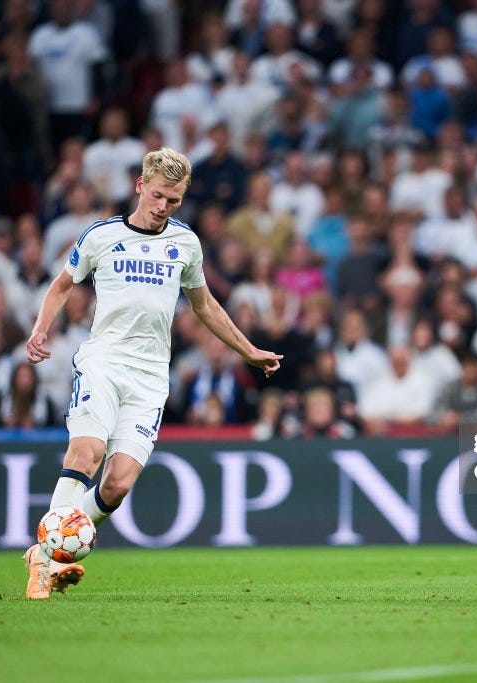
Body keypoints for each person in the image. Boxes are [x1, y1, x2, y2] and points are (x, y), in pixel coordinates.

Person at [22, 148, 282, 599]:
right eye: (158, 195)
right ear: (140, 186)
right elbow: (63, 285)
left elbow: (204, 306)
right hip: (103, 359)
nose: (163, 207)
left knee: (118, 483)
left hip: (149, 376)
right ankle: (45, 561)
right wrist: (40, 329)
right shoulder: (101, 236)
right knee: (87, 452)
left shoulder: (185, 244)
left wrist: (249, 350)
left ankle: (49, 547)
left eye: (174, 201)